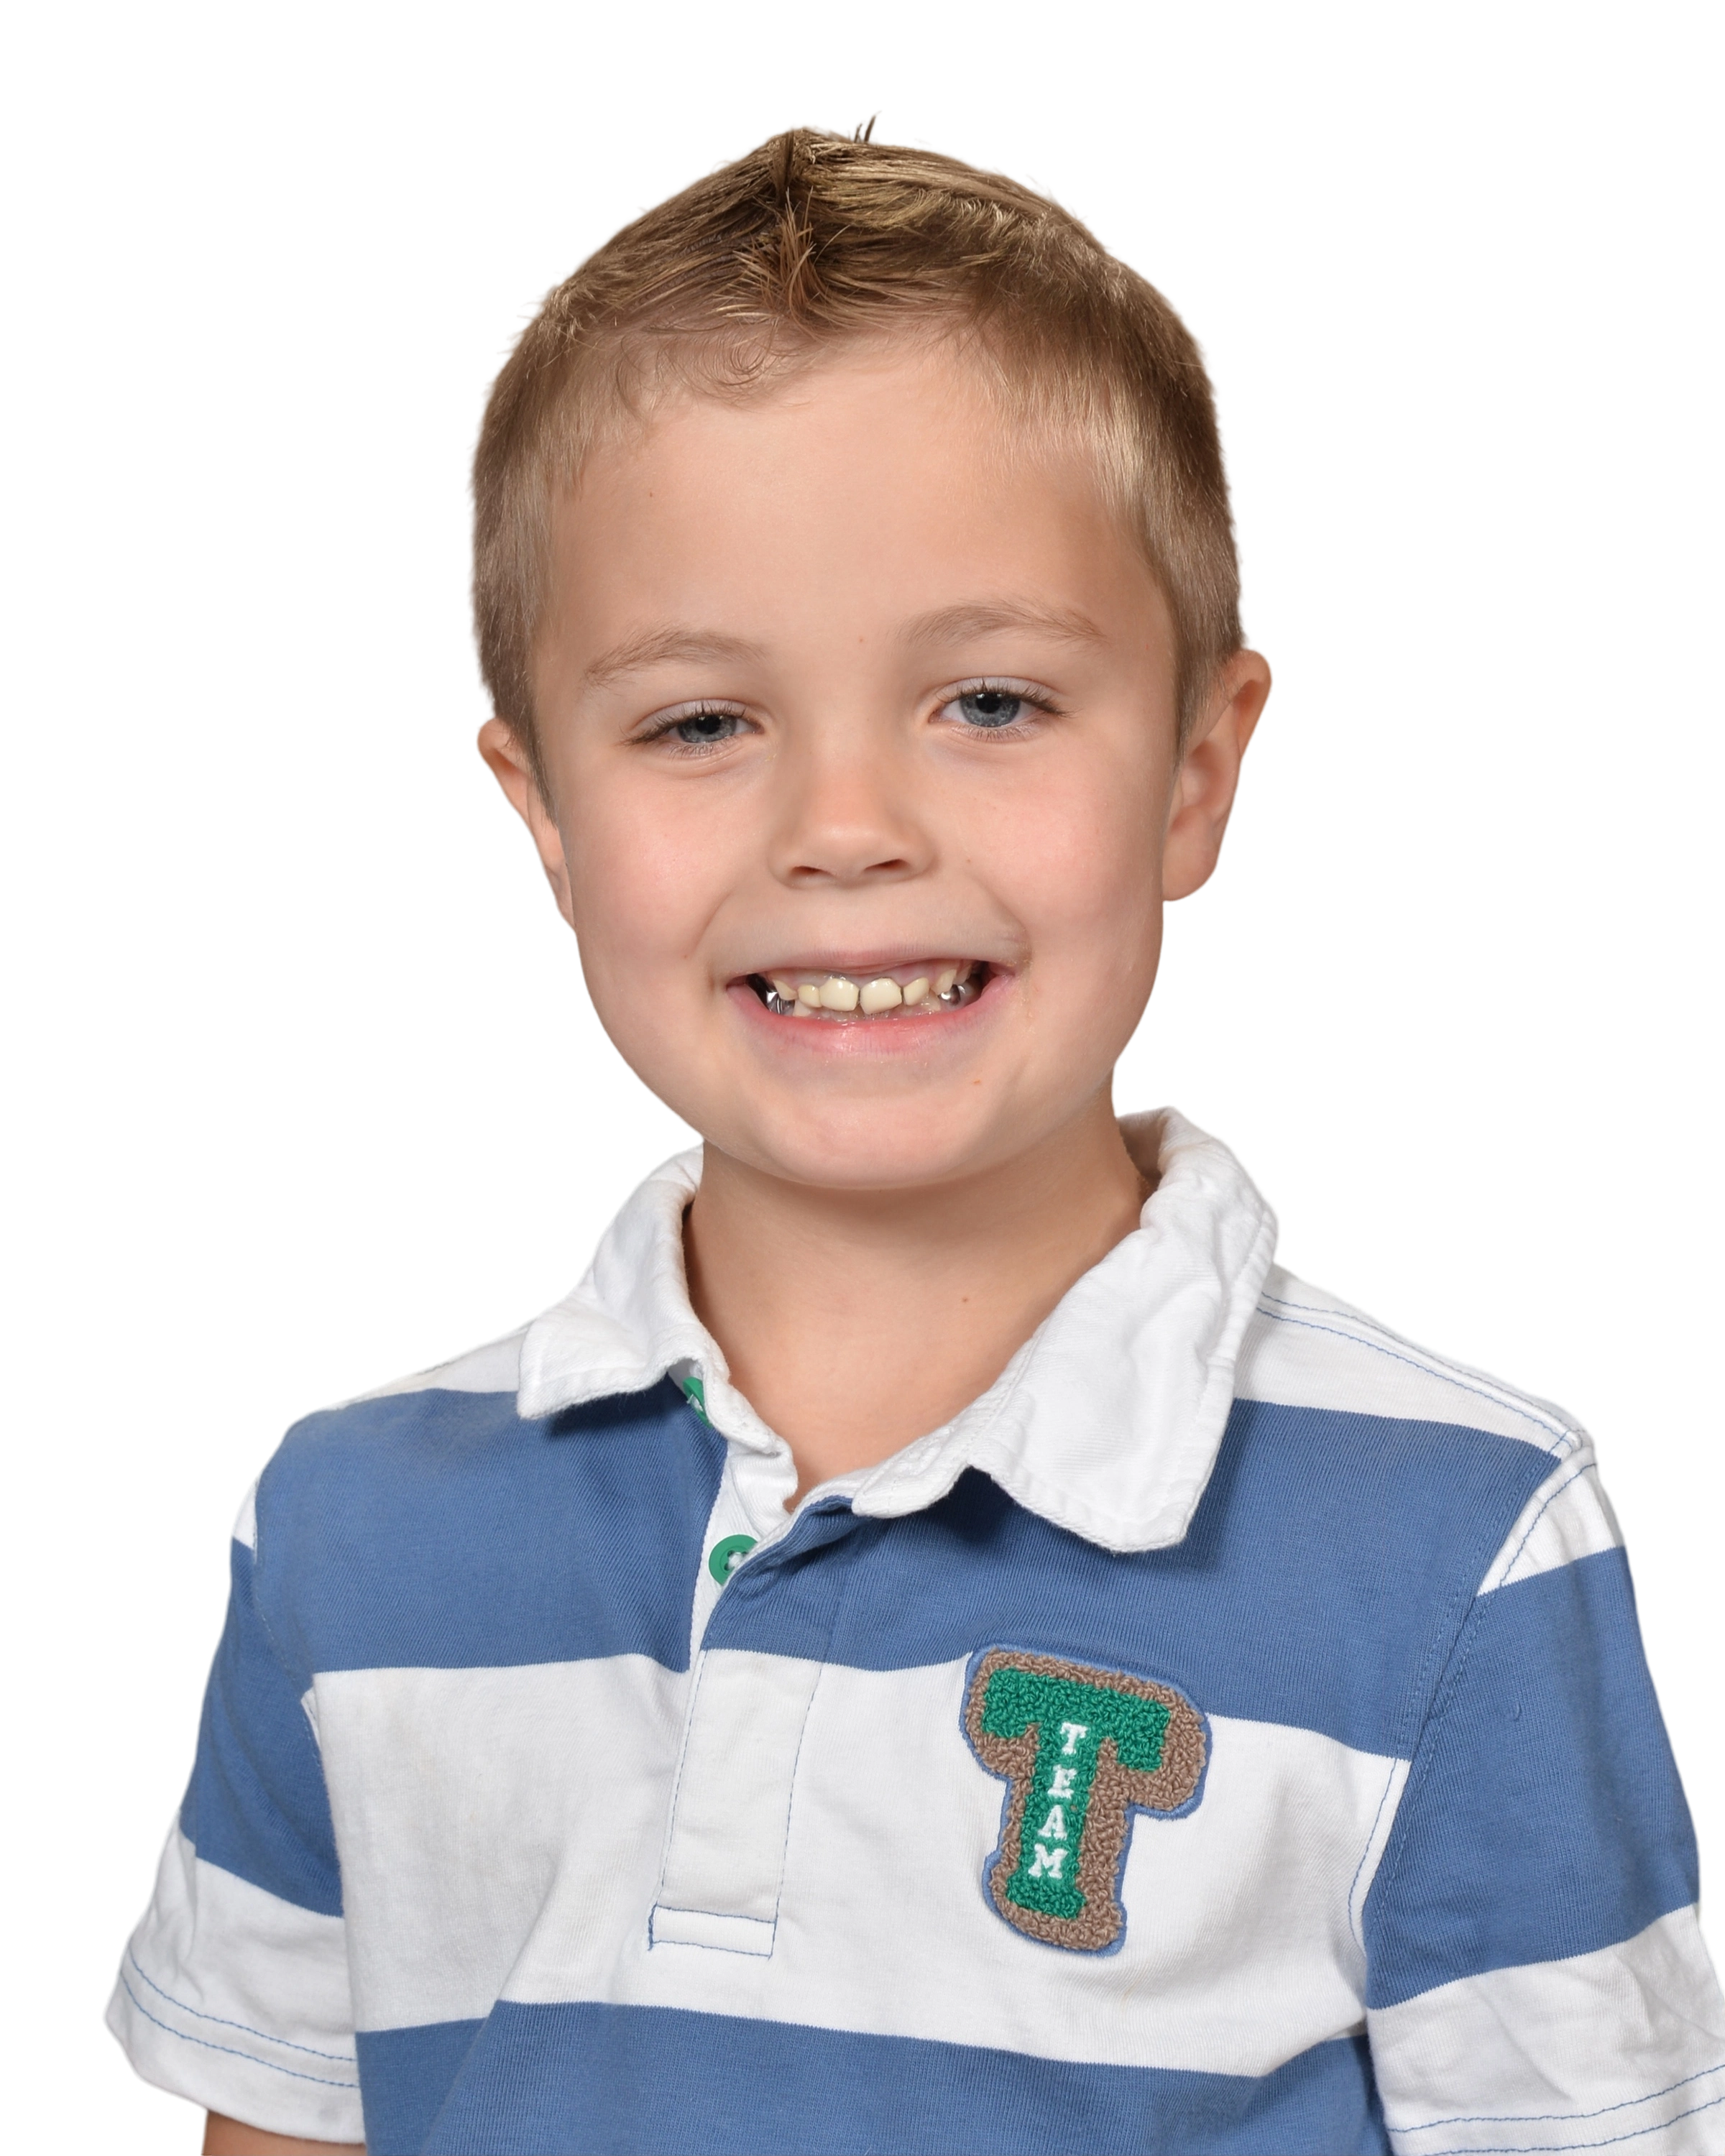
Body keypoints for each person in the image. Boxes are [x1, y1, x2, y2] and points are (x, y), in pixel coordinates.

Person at [101, 119, 1725, 2156]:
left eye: (992, 702)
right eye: (702, 721)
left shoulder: (1458, 1538)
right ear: (546, 819)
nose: (847, 826)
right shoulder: (349, 1534)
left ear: (1197, 772)